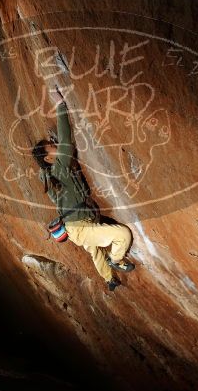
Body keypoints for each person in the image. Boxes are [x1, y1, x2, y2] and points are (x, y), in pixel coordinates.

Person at [32, 88, 135, 291]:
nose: (55, 144)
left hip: (77, 226)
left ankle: (109, 279)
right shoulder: (59, 167)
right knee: (122, 235)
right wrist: (61, 107)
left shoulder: (50, 177)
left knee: (95, 252)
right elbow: (66, 139)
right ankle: (116, 260)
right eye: (51, 146)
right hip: (80, 227)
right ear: (48, 158)